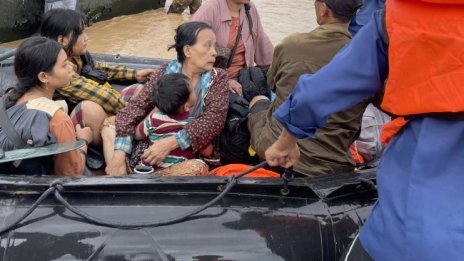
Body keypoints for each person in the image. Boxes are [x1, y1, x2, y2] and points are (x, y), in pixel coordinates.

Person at [265, 1, 464, 260]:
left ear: (322, 10)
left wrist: (285, 141)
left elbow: (324, 88)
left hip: (401, 235)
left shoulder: (402, 16)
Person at [247, 0, 365, 176]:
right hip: (334, 159)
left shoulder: (291, 44)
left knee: (259, 100)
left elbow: (272, 85)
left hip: (277, 148)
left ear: (323, 10)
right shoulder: (367, 56)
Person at [105, 21, 228, 175]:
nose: (214, 52)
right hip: (151, 149)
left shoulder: (218, 77)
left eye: (214, 46)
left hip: (191, 152)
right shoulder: (165, 71)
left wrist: (170, 143)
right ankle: (121, 171)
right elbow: (135, 108)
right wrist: (118, 156)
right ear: (188, 51)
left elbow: (214, 120)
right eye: (207, 46)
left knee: (196, 168)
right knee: (109, 127)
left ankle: (145, 176)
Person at [39, 9, 154, 146]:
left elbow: (99, 68)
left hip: (102, 109)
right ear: (62, 40)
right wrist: (136, 112)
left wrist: (134, 74)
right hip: (75, 122)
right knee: (89, 108)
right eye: (80, 33)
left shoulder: (77, 56)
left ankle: (129, 131)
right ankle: (125, 141)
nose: (87, 37)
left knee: (140, 89)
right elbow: (100, 95)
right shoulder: (59, 71)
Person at [0, 37, 92, 175]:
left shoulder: (7, 100)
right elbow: (70, 173)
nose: (71, 67)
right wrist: (84, 141)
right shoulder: (58, 120)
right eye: (64, 65)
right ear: (43, 77)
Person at [191, 0, 273, 96]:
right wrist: (223, 81)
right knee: (241, 107)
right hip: (216, 81)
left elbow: (263, 47)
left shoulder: (250, 9)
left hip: (246, 78)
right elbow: (191, 56)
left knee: (266, 101)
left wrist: (279, 70)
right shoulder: (209, 10)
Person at [134, 73, 212, 169]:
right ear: (186, 106)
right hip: (179, 175)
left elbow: (137, 135)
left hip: (150, 172)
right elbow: (207, 152)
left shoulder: (153, 119)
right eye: (192, 91)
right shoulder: (193, 125)